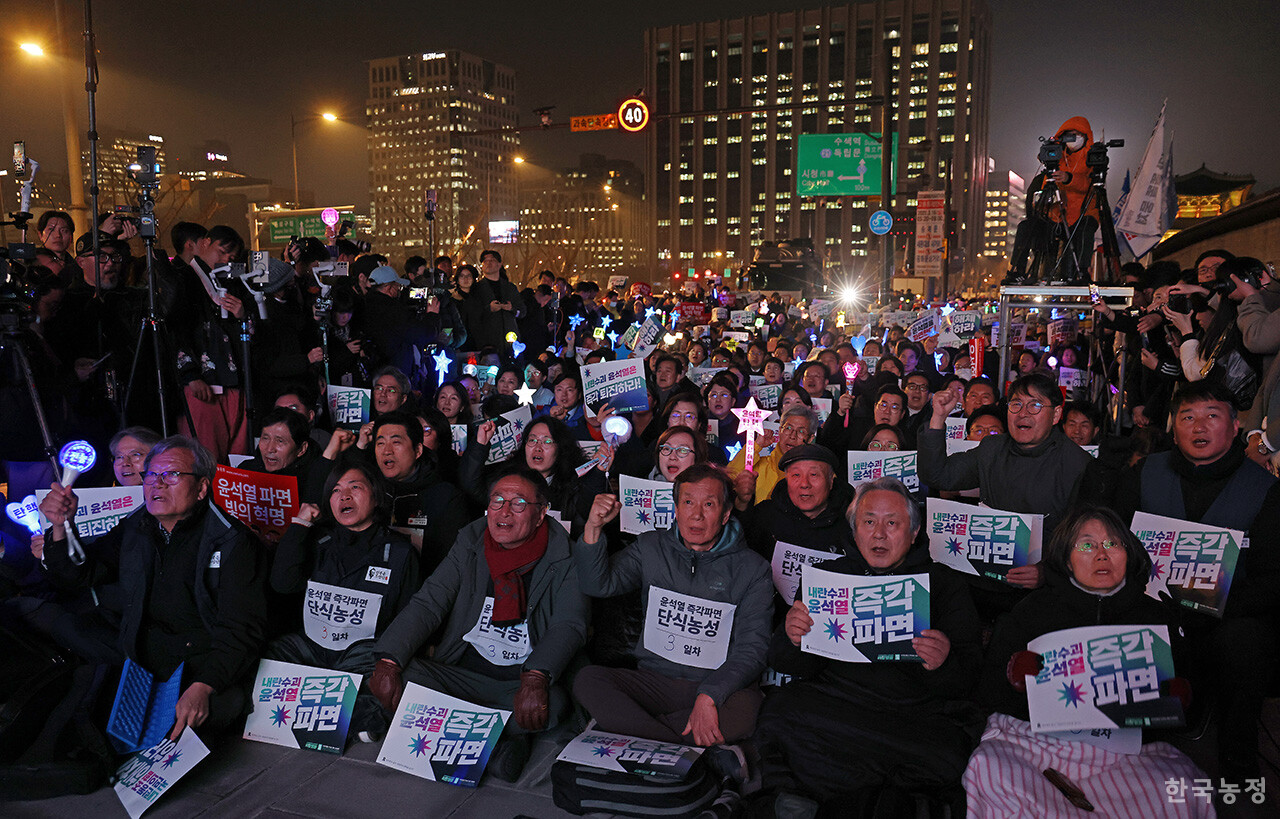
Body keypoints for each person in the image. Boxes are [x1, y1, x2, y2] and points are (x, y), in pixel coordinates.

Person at [755, 477, 983, 814]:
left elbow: (968, 677)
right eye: (868, 521)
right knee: (777, 714)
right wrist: (792, 636)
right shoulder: (827, 577)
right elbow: (789, 663)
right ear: (854, 528)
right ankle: (882, 800)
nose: (879, 533)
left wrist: (942, 662)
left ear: (914, 532)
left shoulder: (946, 584)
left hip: (909, 714)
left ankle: (821, 797)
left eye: (892, 523)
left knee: (949, 754)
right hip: (836, 700)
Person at [963, 506, 1209, 818]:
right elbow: (990, 696)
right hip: (1039, 745)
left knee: (1181, 787)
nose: (1102, 555)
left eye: (1113, 544)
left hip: (1129, 752)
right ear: (1066, 558)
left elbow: (1192, 708)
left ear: (1129, 553)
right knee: (989, 768)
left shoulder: (1157, 617)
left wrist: (1180, 696)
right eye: (1087, 545)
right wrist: (1014, 679)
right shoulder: (1031, 611)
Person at [38, 436, 268, 740]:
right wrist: (60, 526)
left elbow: (241, 630)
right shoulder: (138, 525)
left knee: (212, 711)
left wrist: (204, 685)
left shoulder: (232, 542)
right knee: (67, 639)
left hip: (198, 661)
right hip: (140, 655)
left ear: (201, 488)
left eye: (172, 475)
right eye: (151, 475)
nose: (156, 484)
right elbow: (81, 576)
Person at [369, 467, 589, 781]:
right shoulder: (472, 540)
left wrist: (537, 676)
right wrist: (389, 659)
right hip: (462, 670)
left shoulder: (564, 554)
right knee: (390, 672)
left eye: (518, 504)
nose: (504, 511)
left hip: (518, 679)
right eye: (497, 501)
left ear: (541, 514)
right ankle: (502, 742)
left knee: (553, 705)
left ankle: (449, 725)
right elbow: (430, 600)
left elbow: (570, 624)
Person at [1110, 381, 1280, 785]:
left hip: (1228, 619)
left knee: (1247, 641)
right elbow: (1113, 539)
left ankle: (1238, 765)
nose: (1198, 426)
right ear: (1173, 427)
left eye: (1211, 416)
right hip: (1149, 609)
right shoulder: (1144, 473)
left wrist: (1214, 605)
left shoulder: (1267, 491)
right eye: (1187, 417)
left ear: (1236, 426)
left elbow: (1274, 579)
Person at [573, 464, 773, 753]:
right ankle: (681, 743)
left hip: (714, 685)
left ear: (726, 513)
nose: (697, 514)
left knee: (749, 708)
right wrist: (592, 528)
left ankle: (633, 731)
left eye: (709, 504)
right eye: (688, 502)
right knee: (588, 680)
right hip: (654, 682)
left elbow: (753, 648)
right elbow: (598, 584)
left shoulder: (753, 568)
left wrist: (709, 696)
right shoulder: (650, 547)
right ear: (676, 509)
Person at [265, 458, 419, 742]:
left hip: (362, 656)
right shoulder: (318, 541)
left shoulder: (399, 553)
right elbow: (283, 583)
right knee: (265, 658)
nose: (344, 496)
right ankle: (349, 715)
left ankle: (322, 709)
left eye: (355, 487)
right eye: (336, 490)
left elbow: (407, 620)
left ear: (376, 497)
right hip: (312, 650)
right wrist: (299, 525)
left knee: (394, 676)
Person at [919, 373, 1093, 620]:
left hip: (1041, 592)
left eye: (1035, 405)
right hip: (982, 579)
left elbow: (1086, 538)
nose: (1023, 413)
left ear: (1055, 415)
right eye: (1016, 404)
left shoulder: (1079, 464)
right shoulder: (992, 449)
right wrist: (938, 417)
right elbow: (938, 476)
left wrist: (1047, 571)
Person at [1007, 116, 1100, 285]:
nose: (1072, 138)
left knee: (1086, 229)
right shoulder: (1057, 156)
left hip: (1081, 215)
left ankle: (1082, 272)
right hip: (1055, 215)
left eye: (1076, 134)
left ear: (1086, 136)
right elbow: (1042, 189)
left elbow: (1091, 186)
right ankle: (1017, 271)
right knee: (1026, 227)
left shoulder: (1091, 157)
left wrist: (1068, 178)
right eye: (1068, 134)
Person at [727, 404, 819, 505]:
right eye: (788, 428)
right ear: (780, 430)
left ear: (810, 438)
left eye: (801, 431)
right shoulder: (760, 466)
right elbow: (729, 476)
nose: (793, 436)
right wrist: (757, 445)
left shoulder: (816, 471)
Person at [236, 407, 329, 505]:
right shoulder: (245, 471)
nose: (270, 449)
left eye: (280, 441)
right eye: (265, 438)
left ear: (301, 449)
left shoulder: (315, 480)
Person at [466, 250, 524, 353]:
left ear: (499, 264)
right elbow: (472, 315)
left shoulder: (510, 287)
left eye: (492, 260)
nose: (488, 263)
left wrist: (512, 309)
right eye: (485, 261)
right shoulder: (476, 288)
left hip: (511, 341)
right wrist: (489, 309)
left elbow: (522, 311)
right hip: (488, 342)